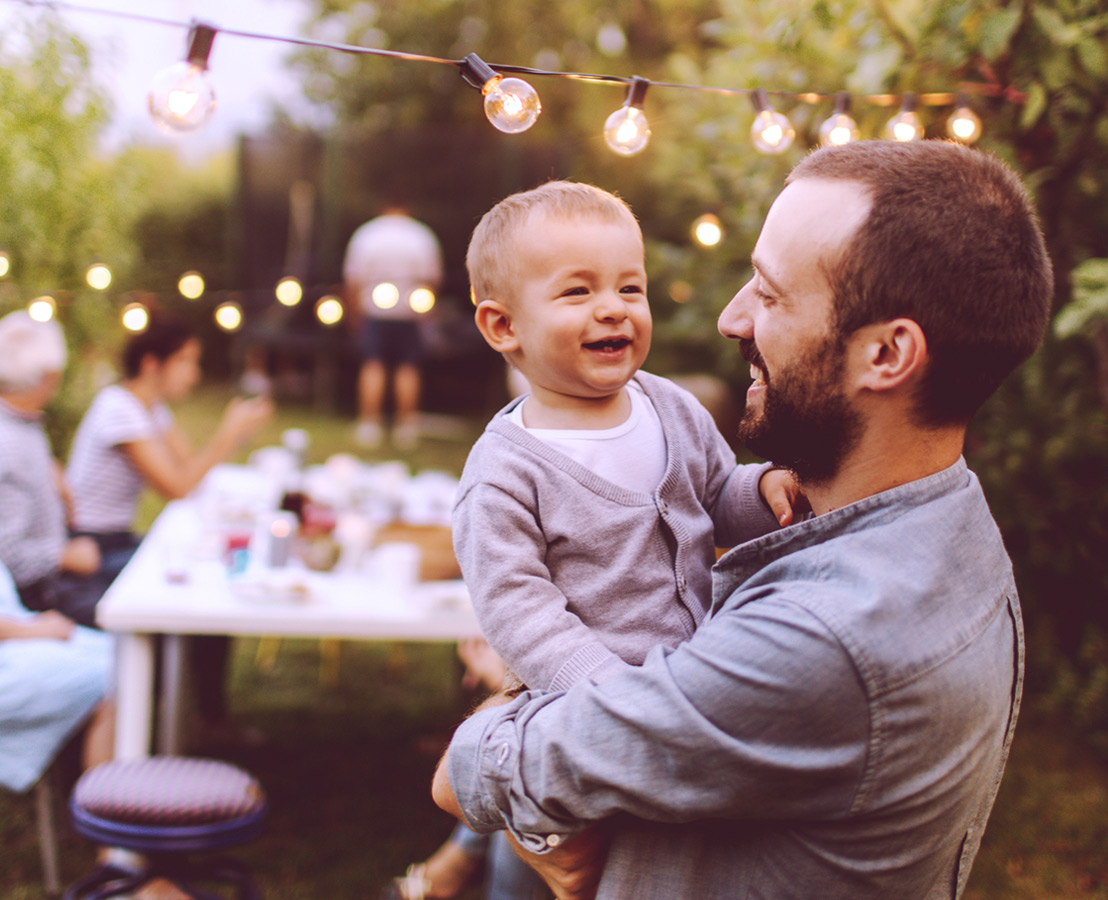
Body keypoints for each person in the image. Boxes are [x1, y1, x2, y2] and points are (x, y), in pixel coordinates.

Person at [433, 139, 1054, 900]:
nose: (731, 318)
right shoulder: (952, 524)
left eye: (769, 292)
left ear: (888, 354)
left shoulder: (826, 639)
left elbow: (464, 777)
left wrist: (493, 725)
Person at [391, 181, 800, 900]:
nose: (612, 308)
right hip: (581, 708)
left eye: (629, 288)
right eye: (577, 292)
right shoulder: (505, 471)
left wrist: (761, 491)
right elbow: (520, 612)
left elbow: (715, 497)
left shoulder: (668, 407)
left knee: (652, 851)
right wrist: (605, 689)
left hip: (681, 690)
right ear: (502, 326)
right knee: (556, 866)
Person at [65, 313, 273, 744]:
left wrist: (227, 441)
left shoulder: (150, 409)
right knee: (198, 584)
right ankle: (177, 722)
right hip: (90, 547)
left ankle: (204, 718)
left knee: (208, 579)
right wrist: (228, 434)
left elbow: (189, 473)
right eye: (186, 361)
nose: (194, 374)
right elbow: (177, 487)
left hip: (115, 539)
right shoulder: (118, 410)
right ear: (151, 364)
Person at [0, 311, 108, 623]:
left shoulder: (23, 422)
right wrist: (63, 555)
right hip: (36, 597)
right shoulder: (9, 443)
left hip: (57, 573)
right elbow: (6, 556)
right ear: (50, 376)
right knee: (142, 613)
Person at [0, 560, 114, 795]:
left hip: (18, 633)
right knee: (117, 676)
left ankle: (107, 801)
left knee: (126, 656)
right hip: (12, 651)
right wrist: (30, 630)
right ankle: (106, 810)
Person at [343, 206, 443, 450]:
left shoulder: (367, 234)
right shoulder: (421, 235)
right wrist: (427, 314)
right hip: (409, 312)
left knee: (373, 364)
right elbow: (432, 279)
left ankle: (369, 425)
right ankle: (406, 427)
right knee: (408, 367)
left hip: (374, 311)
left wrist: (354, 316)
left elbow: (353, 280)